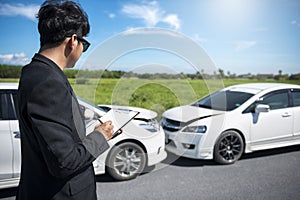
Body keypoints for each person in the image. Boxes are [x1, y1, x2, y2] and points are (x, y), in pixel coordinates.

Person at [16, 1, 114, 199]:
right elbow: (65, 162)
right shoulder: (48, 81)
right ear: (73, 41)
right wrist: (100, 136)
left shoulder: (33, 72)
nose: (82, 51)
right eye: (84, 45)